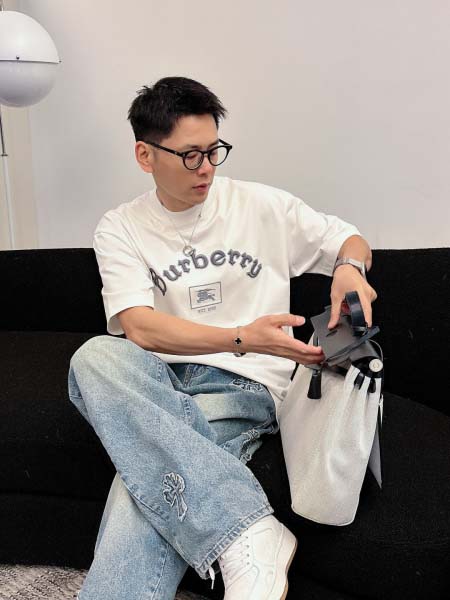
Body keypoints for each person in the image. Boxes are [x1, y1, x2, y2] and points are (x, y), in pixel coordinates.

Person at [68, 76, 377, 600]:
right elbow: (139, 327)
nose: (207, 168)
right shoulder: (120, 227)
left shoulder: (260, 205)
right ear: (145, 155)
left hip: (242, 385)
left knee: (137, 494)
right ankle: (246, 527)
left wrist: (349, 267)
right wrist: (241, 336)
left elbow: (348, 238)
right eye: (190, 155)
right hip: (157, 383)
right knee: (95, 356)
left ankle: (245, 534)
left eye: (214, 151)